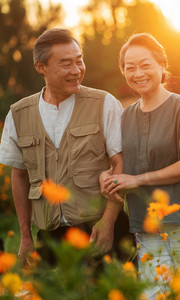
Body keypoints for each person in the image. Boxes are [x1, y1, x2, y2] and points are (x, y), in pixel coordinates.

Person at [101, 33, 180, 298]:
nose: (137, 73)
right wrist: (107, 175)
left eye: (145, 64)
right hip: (148, 228)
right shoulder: (126, 116)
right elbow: (123, 162)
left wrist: (137, 180)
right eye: (129, 67)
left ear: (162, 65)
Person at [0, 28, 131, 265]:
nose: (76, 70)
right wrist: (26, 237)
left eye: (79, 61)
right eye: (66, 64)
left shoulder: (104, 103)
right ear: (41, 67)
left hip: (100, 229)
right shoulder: (18, 115)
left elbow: (120, 163)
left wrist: (109, 222)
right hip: (51, 239)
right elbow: (19, 176)